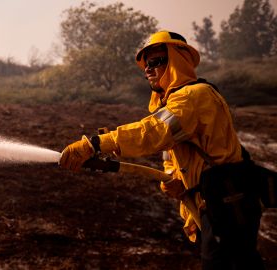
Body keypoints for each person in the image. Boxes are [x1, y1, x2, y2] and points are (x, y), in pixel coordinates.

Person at [59, 30, 265, 269]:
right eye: (147, 64)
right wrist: (177, 180)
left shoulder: (194, 96)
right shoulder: (178, 102)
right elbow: (172, 149)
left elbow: (155, 132)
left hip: (229, 203)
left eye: (157, 62)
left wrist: (95, 144)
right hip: (220, 202)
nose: (148, 69)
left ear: (178, 62)